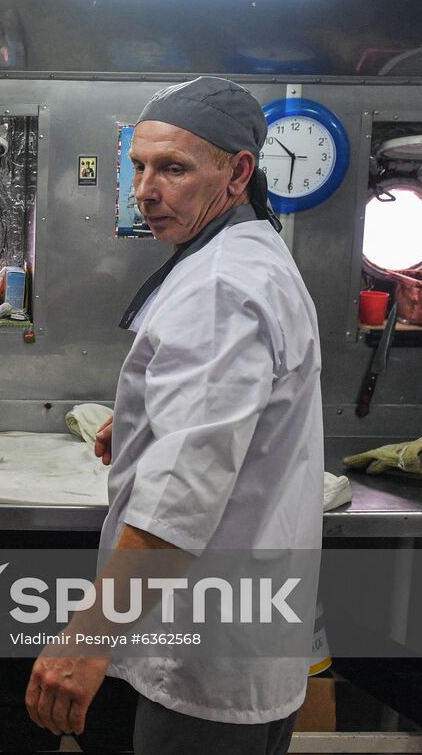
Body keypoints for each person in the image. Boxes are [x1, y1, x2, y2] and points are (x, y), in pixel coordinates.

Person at [26, 77, 324, 755]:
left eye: (173, 169)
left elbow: (181, 496)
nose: (145, 190)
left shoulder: (221, 284)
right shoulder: (251, 255)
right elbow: (235, 410)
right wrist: (146, 417)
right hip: (249, 638)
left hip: (203, 654)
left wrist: (85, 643)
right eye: (138, 166)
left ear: (238, 172)